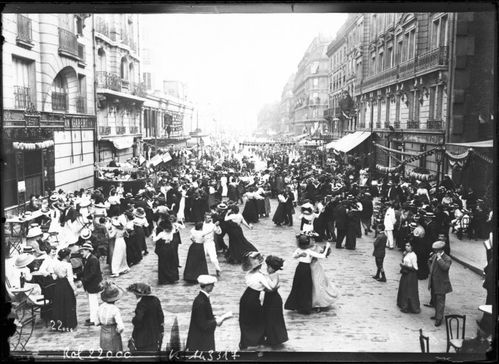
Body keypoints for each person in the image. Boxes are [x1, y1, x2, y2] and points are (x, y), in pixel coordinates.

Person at [284, 234, 331, 315]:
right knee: (306, 288)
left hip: (299, 269)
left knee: (297, 286)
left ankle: (295, 305)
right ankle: (304, 307)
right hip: (306, 269)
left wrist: (299, 255)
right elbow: (322, 256)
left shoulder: (298, 249)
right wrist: (326, 247)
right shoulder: (308, 251)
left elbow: (293, 256)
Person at [185, 275, 232, 351]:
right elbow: (203, 324)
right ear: (207, 286)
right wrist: (217, 321)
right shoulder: (201, 301)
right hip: (201, 342)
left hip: (200, 339)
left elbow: (205, 316)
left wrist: (215, 317)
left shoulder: (201, 298)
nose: (213, 286)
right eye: (212, 285)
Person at [239, 252, 270, 350]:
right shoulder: (260, 276)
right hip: (253, 299)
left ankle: (244, 342)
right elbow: (269, 288)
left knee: (245, 320)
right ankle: (258, 340)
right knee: (258, 320)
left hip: (245, 297)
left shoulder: (248, 274)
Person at [127, 283, 165, 351]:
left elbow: (138, 319)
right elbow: (161, 316)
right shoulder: (155, 299)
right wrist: (161, 329)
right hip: (155, 334)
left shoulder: (141, 304)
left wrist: (133, 320)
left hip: (143, 337)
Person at [262, 255, 288, 347]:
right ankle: (270, 337)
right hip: (268, 299)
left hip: (274, 300)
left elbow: (272, 286)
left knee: (273, 318)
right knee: (268, 317)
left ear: (274, 268)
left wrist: (265, 279)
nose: (267, 268)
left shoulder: (275, 275)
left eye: (269, 267)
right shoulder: (269, 274)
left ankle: (275, 338)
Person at [51, 248, 78, 331]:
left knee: (59, 304)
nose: (70, 256)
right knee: (68, 304)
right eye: (69, 255)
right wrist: (74, 289)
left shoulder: (56, 264)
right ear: (66, 256)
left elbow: (54, 276)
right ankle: (69, 325)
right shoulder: (68, 265)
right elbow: (70, 279)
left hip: (58, 285)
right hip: (66, 286)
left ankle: (60, 325)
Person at [427, 240, 452, 327]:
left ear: (440, 250)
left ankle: (439, 318)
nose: (435, 252)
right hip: (434, 283)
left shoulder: (447, 258)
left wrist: (439, 259)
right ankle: (437, 314)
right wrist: (431, 270)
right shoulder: (434, 256)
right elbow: (429, 262)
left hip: (441, 284)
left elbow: (445, 268)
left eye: (436, 250)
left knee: (440, 302)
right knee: (435, 300)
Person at [78, 242, 102, 326]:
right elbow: (85, 271)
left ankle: (95, 320)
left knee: (93, 302)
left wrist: (83, 281)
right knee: (91, 302)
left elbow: (92, 273)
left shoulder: (93, 259)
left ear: (88, 251)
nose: (81, 253)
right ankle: (93, 317)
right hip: (90, 285)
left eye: (83, 251)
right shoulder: (88, 259)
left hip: (93, 285)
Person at [97, 281, 125, 351]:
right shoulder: (115, 309)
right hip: (113, 334)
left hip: (103, 334)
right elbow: (121, 327)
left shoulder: (101, 307)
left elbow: (96, 322)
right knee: (115, 352)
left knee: (104, 352)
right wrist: (118, 331)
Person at [310, 243, 337, 311]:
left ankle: (318, 302)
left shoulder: (316, 247)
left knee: (318, 284)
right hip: (310, 267)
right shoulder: (307, 248)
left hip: (316, 267)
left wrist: (327, 249)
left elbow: (323, 255)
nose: (312, 240)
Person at [396, 241, 421, 314]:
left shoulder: (413, 255)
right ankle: (403, 304)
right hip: (405, 274)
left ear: (412, 247)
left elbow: (415, 268)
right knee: (403, 289)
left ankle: (409, 306)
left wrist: (405, 266)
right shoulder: (406, 253)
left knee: (409, 291)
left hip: (411, 275)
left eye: (408, 246)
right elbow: (405, 261)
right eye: (406, 245)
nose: (406, 247)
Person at [154, 220, 179, 285]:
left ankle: (164, 279)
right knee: (171, 263)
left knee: (163, 263)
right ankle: (171, 278)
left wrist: (153, 233)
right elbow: (175, 230)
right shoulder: (171, 232)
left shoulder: (161, 233)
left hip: (163, 249)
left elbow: (155, 239)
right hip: (170, 248)